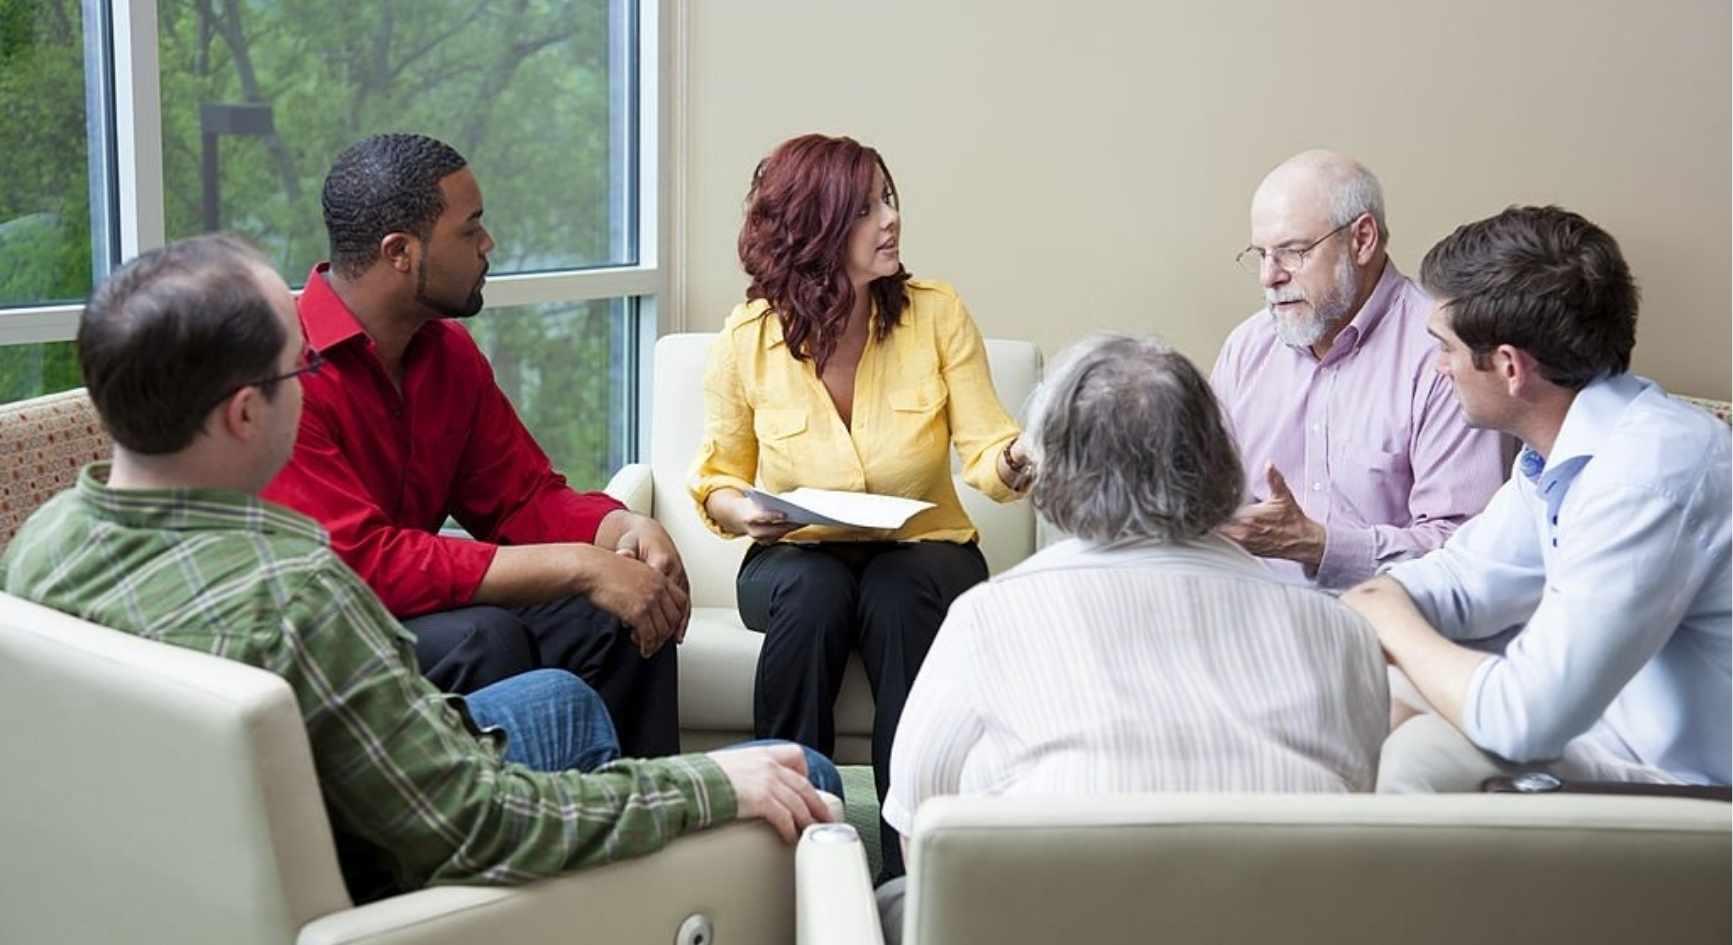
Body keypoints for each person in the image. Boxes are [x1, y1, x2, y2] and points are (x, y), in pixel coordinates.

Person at [0, 234, 837, 903]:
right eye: (301, 367)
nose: (312, 381)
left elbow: (516, 488)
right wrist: (709, 785)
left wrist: (605, 527)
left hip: (187, 862)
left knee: (561, 699)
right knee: (804, 776)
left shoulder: (42, 542)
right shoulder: (300, 596)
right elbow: (478, 826)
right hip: (385, 879)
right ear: (245, 411)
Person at [876, 334, 1389, 942]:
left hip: (1056, 921)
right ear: (1220, 462)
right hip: (1274, 922)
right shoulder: (1342, 632)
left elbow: (923, 831)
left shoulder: (986, 619)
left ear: (1054, 468)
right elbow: (1357, 810)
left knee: (893, 899)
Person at [260, 134, 686, 757]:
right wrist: (577, 565)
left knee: (617, 613)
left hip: (414, 609)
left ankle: (644, 823)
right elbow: (362, 565)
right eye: (471, 229)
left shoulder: (447, 352)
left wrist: (617, 528)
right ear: (400, 252)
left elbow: (520, 499)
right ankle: (508, 839)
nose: (489, 245)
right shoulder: (286, 373)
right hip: (320, 636)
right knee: (482, 637)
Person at [689, 133, 1033, 879]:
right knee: (814, 593)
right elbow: (717, 475)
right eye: (865, 207)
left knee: (896, 591)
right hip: (793, 552)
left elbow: (986, 444)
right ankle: (783, 849)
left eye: (890, 199)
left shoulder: (935, 314)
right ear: (814, 226)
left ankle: (911, 863)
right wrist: (744, 512)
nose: (890, 220)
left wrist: (1016, 459)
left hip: (923, 550)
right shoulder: (746, 339)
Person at [1342, 205, 1731, 792]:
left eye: (1442, 347)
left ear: (1508, 367)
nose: (1438, 367)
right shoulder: (1558, 455)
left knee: (1421, 754)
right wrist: (1370, 603)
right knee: (1367, 696)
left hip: (1690, 793)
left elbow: (1525, 720)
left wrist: (1388, 620)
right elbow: (1466, 582)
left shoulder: (1647, 475)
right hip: (1605, 742)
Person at [1212, 149, 1509, 590]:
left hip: (1390, 639)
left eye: (1292, 253)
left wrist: (1318, 545)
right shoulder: (1246, 348)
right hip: (1258, 629)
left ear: (1363, 239)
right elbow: (1205, 500)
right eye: (1261, 254)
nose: (1268, 277)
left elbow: (1464, 551)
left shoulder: (1444, 352)